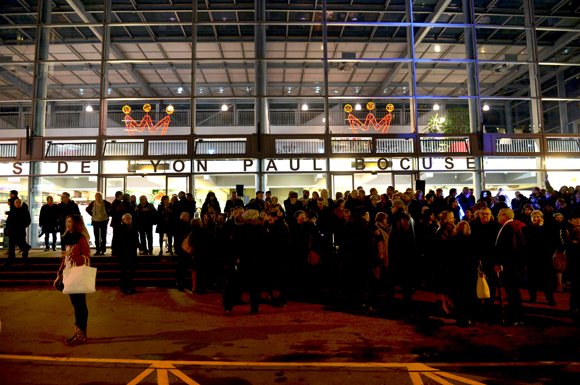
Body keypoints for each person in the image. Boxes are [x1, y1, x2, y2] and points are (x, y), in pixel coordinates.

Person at [59, 214, 91, 346]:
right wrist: (60, 271)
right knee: (76, 305)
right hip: (68, 272)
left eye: (70, 221)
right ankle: (80, 333)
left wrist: (75, 256)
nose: (67, 223)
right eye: (66, 221)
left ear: (76, 224)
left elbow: (87, 258)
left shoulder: (81, 238)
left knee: (80, 305)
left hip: (78, 273)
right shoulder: (67, 237)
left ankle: (80, 334)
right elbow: (65, 258)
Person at [495, 208, 526, 326]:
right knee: (513, 293)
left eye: (499, 214)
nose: (497, 216)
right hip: (513, 267)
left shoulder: (509, 228)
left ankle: (517, 318)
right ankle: (517, 317)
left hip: (510, 268)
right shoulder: (512, 226)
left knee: (512, 293)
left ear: (505, 216)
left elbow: (510, 250)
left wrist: (500, 263)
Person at [522, 210, 557, 306]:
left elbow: (547, 241)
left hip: (543, 258)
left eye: (538, 217)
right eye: (534, 217)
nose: (536, 219)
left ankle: (550, 299)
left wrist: (541, 227)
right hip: (531, 257)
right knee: (531, 280)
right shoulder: (527, 229)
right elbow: (530, 240)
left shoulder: (546, 229)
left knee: (546, 280)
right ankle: (532, 298)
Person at [112, 213, 139, 295]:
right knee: (123, 271)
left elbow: (136, 239)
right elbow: (115, 241)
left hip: (132, 253)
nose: (129, 220)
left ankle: (130, 286)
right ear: (123, 220)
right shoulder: (119, 229)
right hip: (123, 253)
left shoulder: (133, 228)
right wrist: (116, 251)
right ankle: (124, 287)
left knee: (132, 270)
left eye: (130, 218)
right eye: (127, 218)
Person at [5, 199, 31, 266]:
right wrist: (8, 229)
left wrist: (22, 226)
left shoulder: (25, 211)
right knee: (11, 246)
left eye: (19, 202)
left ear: (21, 203)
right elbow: (8, 221)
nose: (18, 204)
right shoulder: (12, 211)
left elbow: (28, 221)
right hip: (12, 231)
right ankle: (11, 259)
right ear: (14, 204)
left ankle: (25, 260)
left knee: (23, 245)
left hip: (21, 231)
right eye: (16, 203)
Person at [174, 212, 193, 292]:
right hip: (184, 249)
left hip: (179, 248)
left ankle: (179, 282)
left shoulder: (176, 224)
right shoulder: (185, 226)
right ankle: (181, 282)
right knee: (183, 267)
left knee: (180, 266)